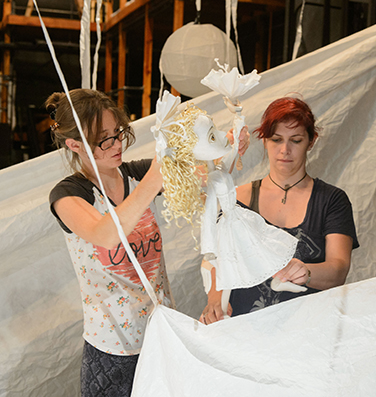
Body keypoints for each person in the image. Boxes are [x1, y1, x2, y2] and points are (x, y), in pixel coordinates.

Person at [47, 89, 248, 396]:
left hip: (162, 332)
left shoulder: (135, 174)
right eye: (104, 139)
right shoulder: (69, 194)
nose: (116, 145)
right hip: (113, 348)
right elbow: (104, 233)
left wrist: (229, 149)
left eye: (118, 133)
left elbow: (210, 178)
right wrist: (155, 179)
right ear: (75, 145)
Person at [200, 96, 359, 323]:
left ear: (311, 142)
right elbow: (216, 259)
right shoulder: (236, 199)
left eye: (295, 140)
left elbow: (338, 270)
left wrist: (306, 272)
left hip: (307, 333)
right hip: (244, 332)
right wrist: (215, 301)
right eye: (276, 139)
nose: (285, 150)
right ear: (264, 140)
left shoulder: (331, 200)